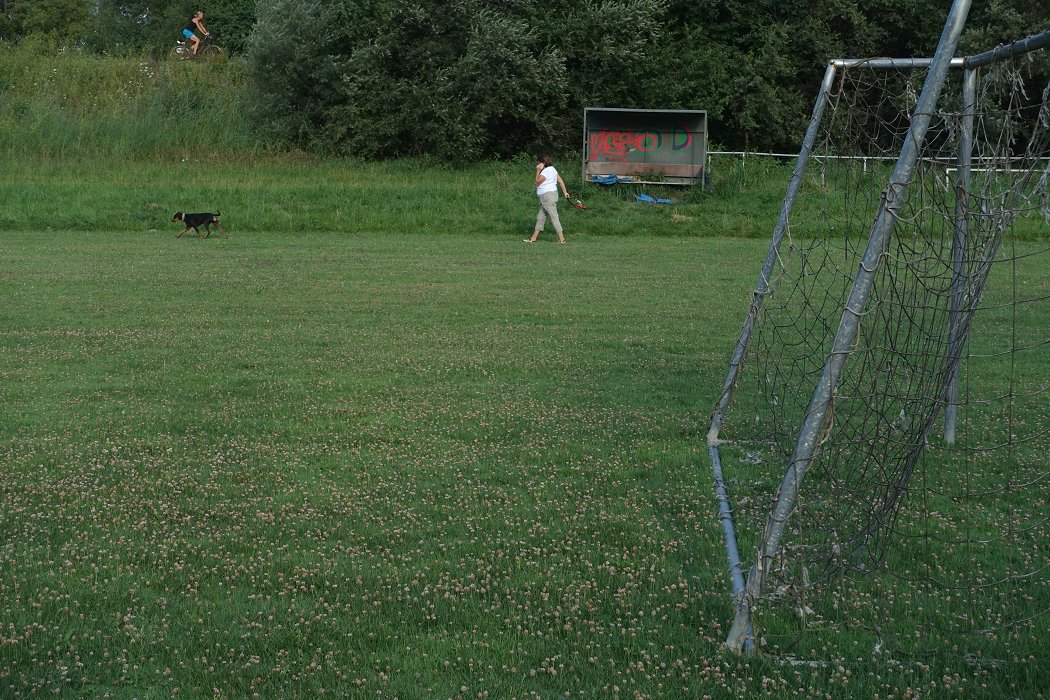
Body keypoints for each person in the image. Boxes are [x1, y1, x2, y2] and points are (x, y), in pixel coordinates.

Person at [524, 154, 570, 244]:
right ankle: (533, 238)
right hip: (550, 196)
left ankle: (562, 239)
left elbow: (537, 182)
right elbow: (560, 181)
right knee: (540, 218)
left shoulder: (545, 171)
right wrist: (565, 192)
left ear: (542, 162)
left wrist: (537, 170)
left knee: (554, 217)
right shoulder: (553, 169)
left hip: (547, 197)